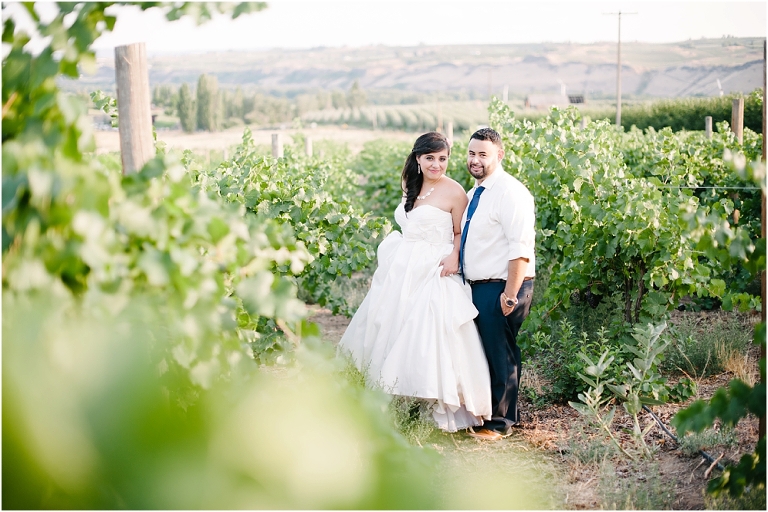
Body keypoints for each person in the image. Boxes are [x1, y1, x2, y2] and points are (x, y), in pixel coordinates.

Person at [338, 132, 492, 432]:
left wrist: (454, 256)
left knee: (425, 332)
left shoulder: (455, 192)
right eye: (430, 158)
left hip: (434, 268)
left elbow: (460, 232)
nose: (437, 165)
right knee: (390, 325)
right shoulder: (411, 184)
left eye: (443, 159)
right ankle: (392, 398)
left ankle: (429, 402)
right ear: (418, 158)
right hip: (402, 268)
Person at [459, 127, 536, 441]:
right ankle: (491, 414)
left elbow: (520, 248)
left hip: (503, 286)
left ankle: (500, 423)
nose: (475, 160)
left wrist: (509, 295)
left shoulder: (510, 192)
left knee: (500, 353)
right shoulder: (473, 194)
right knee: (488, 352)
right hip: (479, 286)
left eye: (483, 154)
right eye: (471, 153)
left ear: (500, 155)